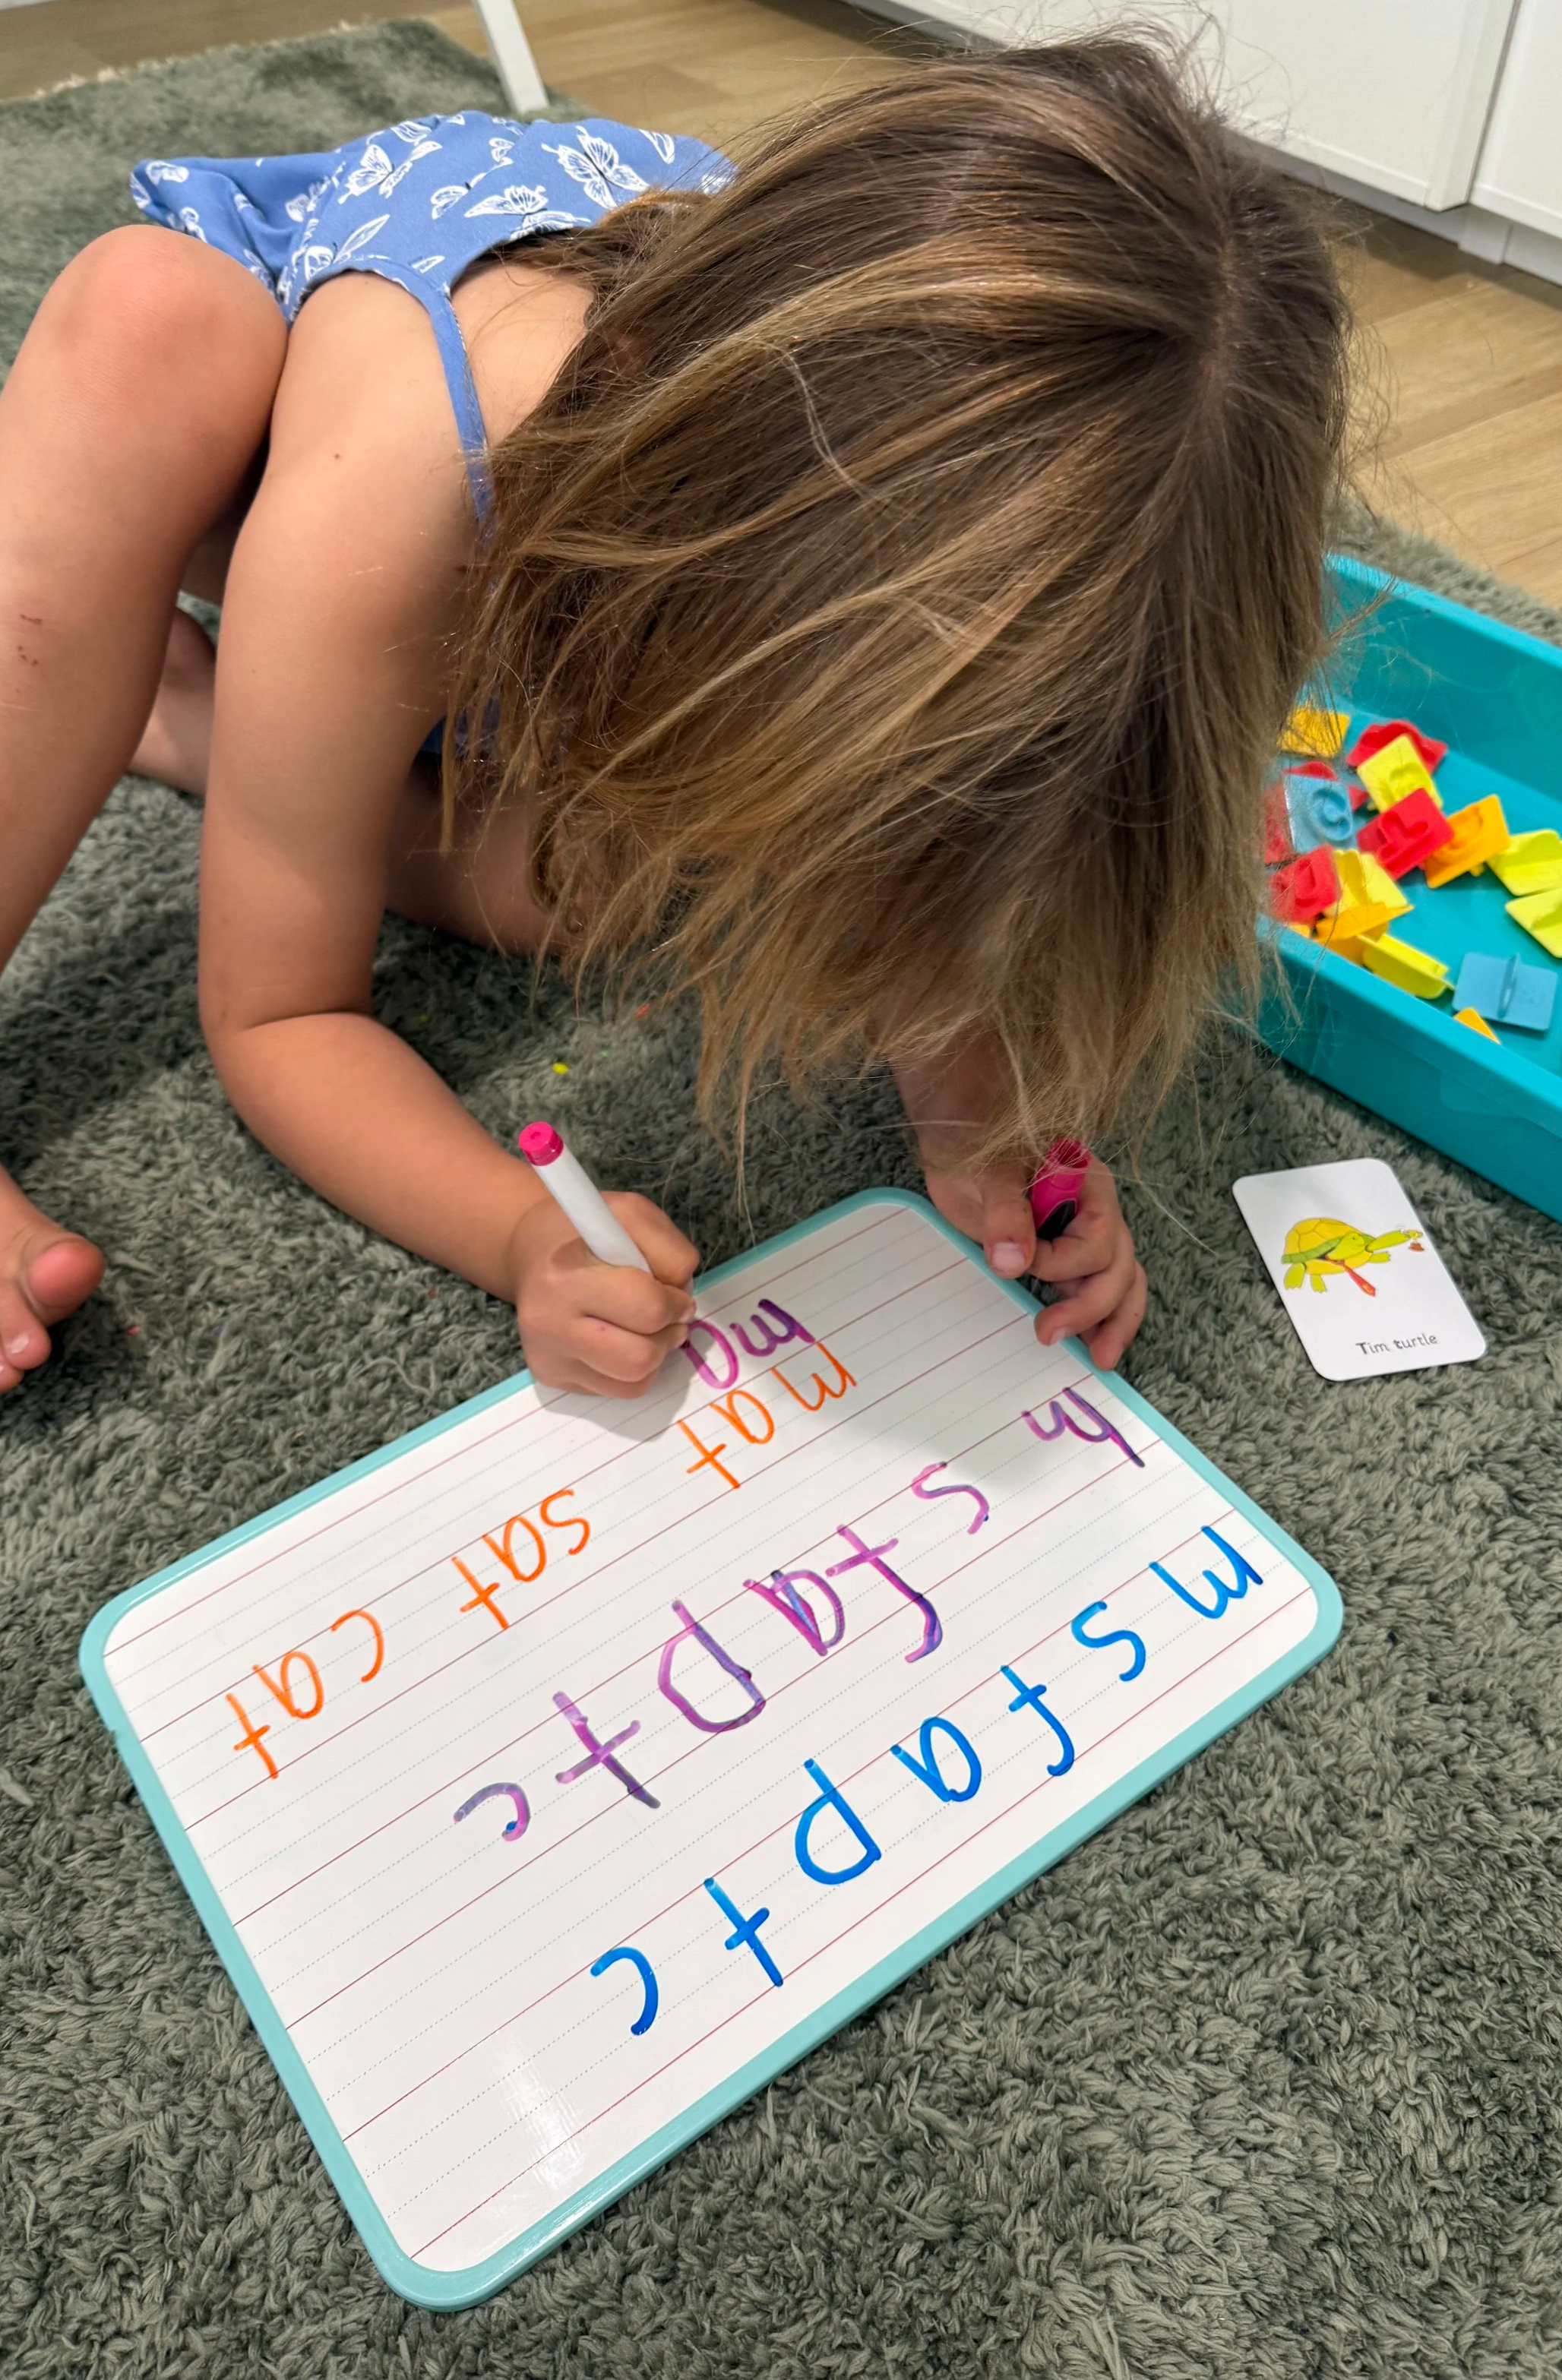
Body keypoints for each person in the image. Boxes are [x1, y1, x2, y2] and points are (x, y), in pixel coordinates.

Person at [0, 40, 1347, 1401]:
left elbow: (929, 863)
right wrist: (522, 1234)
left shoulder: (957, 565)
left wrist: (980, 1120)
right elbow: (280, 1015)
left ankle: (190, 722)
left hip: (521, 643)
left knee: (612, 905)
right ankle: (165, 694)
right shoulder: (395, 480)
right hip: (301, 510)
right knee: (147, 327)